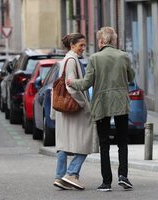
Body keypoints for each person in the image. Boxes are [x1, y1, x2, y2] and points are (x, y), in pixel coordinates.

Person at [66, 27, 135, 192]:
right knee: (122, 141)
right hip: (120, 103)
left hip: (102, 103)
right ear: (113, 40)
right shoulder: (123, 56)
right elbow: (131, 78)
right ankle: (123, 176)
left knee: (104, 143)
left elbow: (86, 83)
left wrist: (72, 82)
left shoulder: (95, 58)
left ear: (102, 41)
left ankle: (106, 182)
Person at [52, 33, 94, 190]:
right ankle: (71, 173)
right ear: (72, 46)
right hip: (74, 108)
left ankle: (60, 176)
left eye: (84, 45)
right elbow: (71, 87)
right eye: (81, 45)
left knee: (64, 143)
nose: (83, 48)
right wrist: (84, 105)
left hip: (65, 109)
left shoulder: (67, 59)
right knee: (86, 141)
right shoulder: (71, 61)